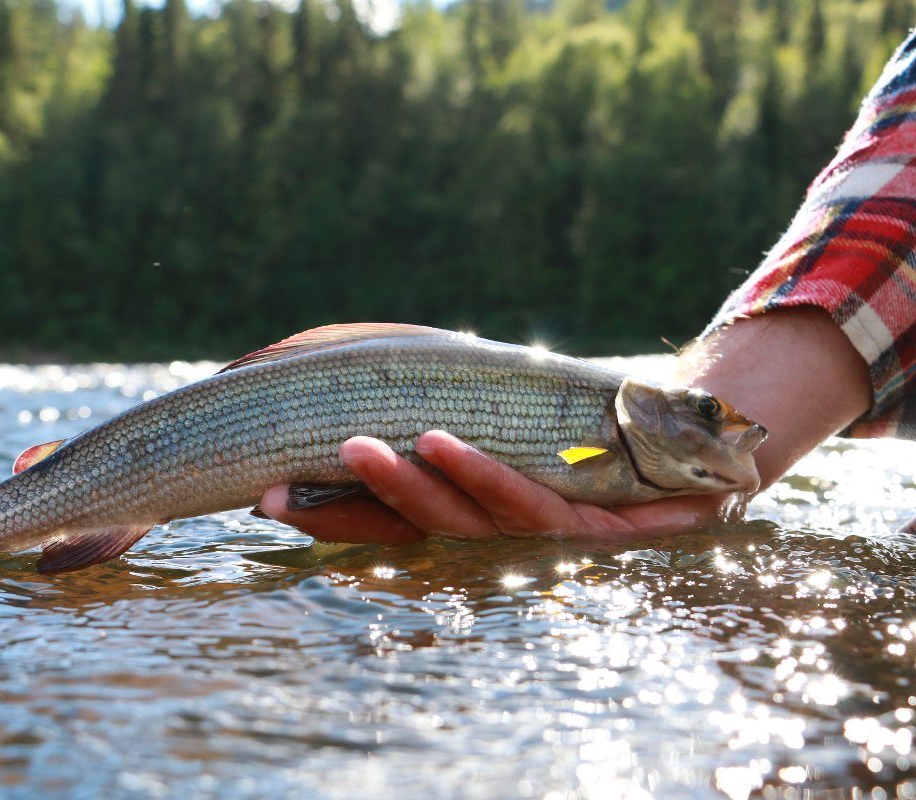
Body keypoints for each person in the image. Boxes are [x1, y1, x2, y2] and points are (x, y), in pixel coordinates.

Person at [257, 32, 916, 545]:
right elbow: (582, 453)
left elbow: (578, 456)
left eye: (712, 413)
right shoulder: (604, 443)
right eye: (708, 413)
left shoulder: (603, 447)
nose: (740, 425)